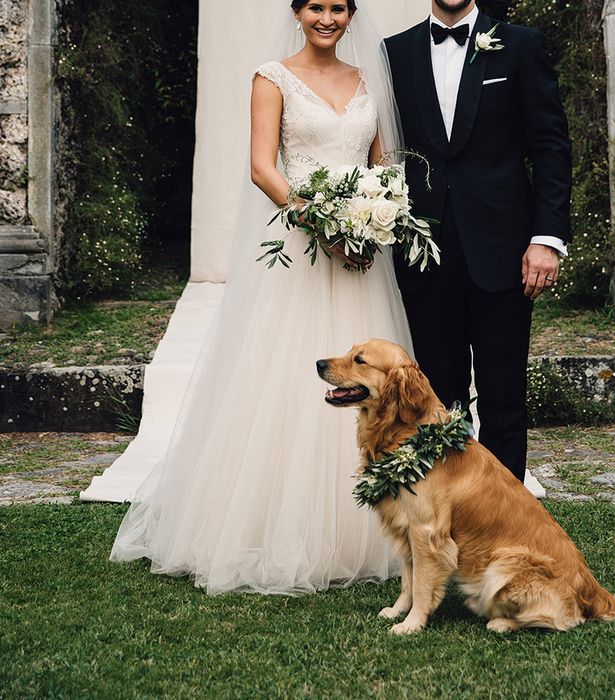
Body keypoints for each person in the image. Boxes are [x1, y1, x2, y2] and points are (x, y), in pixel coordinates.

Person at [110, 0, 412, 595]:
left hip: (358, 256)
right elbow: (261, 166)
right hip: (299, 248)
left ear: (351, 15)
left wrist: (376, 219)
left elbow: (382, 165)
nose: (327, 18)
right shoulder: (271, 76)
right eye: (316, 7)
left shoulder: (368, 80)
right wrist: (322, 223)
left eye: (338, 8)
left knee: (367, 379)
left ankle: (365, 528)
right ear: (298, 12)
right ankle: (276, 525)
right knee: (279, 377)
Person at [385, 0, 572, 483]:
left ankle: (507, 517)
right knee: (433, 393)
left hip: (506, 251)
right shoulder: (395, 52)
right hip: (423, 253)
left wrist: (546, 238)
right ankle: (444, 511)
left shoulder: (521, 45)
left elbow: (550, 146)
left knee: (503, 391)